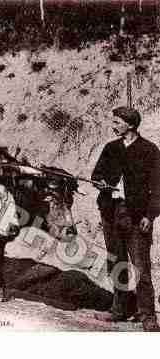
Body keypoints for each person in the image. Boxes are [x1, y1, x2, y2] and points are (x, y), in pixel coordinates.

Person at [91, 106, 160, 331]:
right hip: (110, 213)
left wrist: (150, 216)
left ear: (130, 125)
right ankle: (118, 311)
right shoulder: (111, 148)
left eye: (117, 122)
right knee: (116, 263)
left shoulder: (149, 150)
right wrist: (99, 182)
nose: (113, 125)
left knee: (141, 267)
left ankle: (148, 316)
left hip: (136, 216)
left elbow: (157, 188)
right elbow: (96, 175)